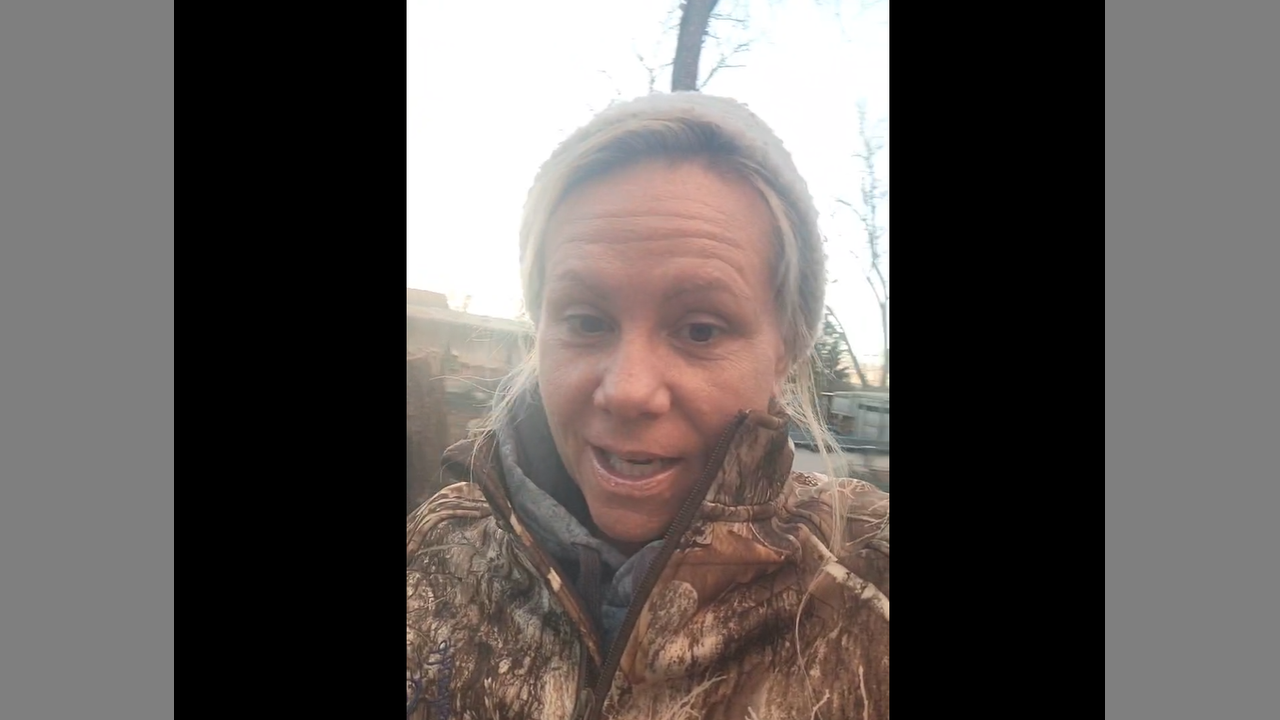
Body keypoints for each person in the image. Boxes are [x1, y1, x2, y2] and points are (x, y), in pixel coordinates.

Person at [407, 92, 889, 720]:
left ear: (784, 351)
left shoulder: (868, 584)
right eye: (587, 320)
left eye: (700, 330)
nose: (628, 390)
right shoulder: (437, 546)